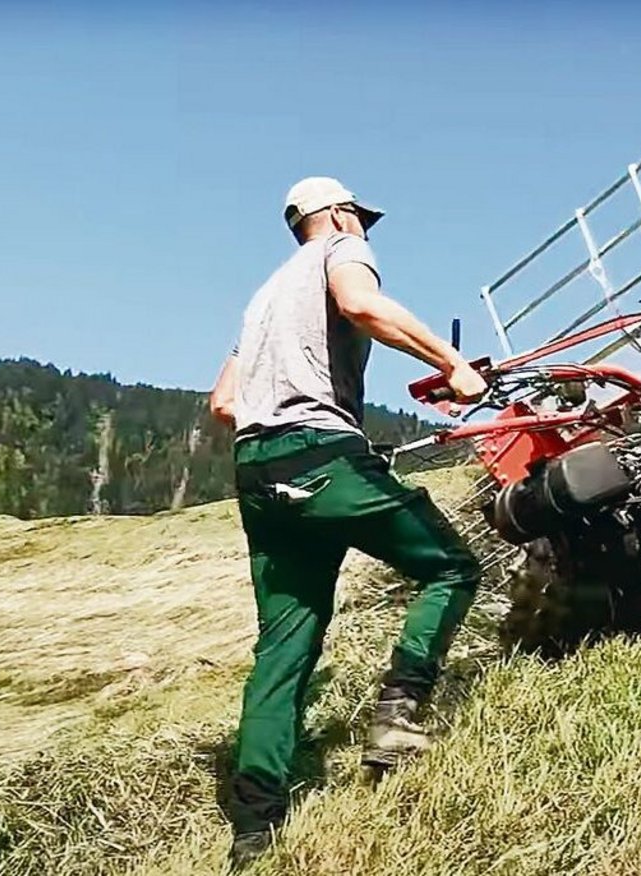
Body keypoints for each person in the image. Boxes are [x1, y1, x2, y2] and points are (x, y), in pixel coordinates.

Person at [208, 176, 487, 870]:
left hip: (256, 473)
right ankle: (398, 713)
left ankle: (254, 827)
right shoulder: (339, 251)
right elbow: (362, 307)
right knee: (451, 566)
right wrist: (452, 364)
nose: (365, 227)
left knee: (285, 645)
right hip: (319, 457)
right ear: (333, 214)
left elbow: (222, 402)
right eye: (361, 216)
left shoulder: (262, 300)